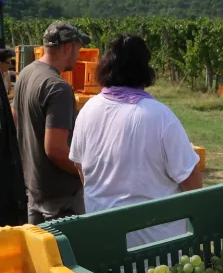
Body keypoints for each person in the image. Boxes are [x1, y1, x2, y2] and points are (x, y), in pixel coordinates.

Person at [69, 34, 202, 248]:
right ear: (145, 70)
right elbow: (191, 180)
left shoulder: (88, 111)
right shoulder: (159, 116)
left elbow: (80, 166)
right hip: (156, 245)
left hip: (103, 238)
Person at [12, 21, 90, 223]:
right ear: (68, 47)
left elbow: (15, 120)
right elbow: (55, 149)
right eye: (78, 49)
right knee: (67, 252)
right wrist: (85, 172)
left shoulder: (26, 74)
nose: (78, 55)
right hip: (60, 198)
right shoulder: (58, 88)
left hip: (34, 187)